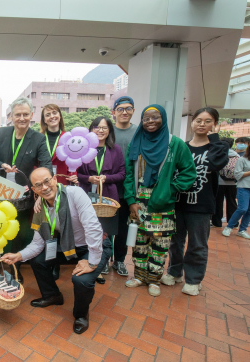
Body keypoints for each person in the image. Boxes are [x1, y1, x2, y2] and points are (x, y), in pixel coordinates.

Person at [0, 167, 109, 334]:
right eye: (38, 185)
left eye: (47, 181)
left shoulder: (75, 194)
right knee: (37, 260)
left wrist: (92, 261)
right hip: (68, 247)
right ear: (34, 190)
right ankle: (52, 296)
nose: (44, 187)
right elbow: (37, 244)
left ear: (55, 180)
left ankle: (81, 315)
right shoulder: (40, 208)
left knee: (82, 280)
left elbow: (93, 229)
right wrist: (18, 256)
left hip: (94, 246)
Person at [124, 105, 196, 297]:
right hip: (138, 204)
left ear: (163, 118)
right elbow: (129, 175)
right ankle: (139, 276)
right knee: (139, 243)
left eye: (155, 117)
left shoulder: (175, 144)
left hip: (162, 206)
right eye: (146, 118)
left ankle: (154, 279)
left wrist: (171, 190)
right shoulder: (136, 143)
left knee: (160, 244)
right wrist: (131, 200)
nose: (150, 122)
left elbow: (189, 173)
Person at [162, 107, 228, 296]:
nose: (202, 124)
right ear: (192, 122)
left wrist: (214, 139)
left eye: (208, 121)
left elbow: (216, 164)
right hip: (178, 202)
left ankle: (193, 279)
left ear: (215, 124)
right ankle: (174, 272)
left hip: (202, 204)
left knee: (197, 244)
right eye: (199, 120)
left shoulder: (218, 147)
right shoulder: (182, 146)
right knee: (176, 241)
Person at [0, 97, 52, 283]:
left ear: (32, 115)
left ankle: (15, 267)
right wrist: (1, 164)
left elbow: (46, 164)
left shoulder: (39, 138)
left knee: (19, 233)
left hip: (23, 196)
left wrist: (41, 192)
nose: (22, 118)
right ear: (11, 116)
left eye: (26, 114)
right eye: (18, 114)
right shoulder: (0, 133)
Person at [72, 116, 125, 275]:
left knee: (106, 229)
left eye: (104, 127)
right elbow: (77, 173)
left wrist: (106, 178)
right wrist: (88, 178)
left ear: (109, 130)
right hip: (87, 193)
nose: (100, 130)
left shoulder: (116, 149)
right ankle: (91, 258)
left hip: (108, 195)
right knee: (89, 227)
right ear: (91, 129)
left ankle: (106, 260)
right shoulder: (83, 148)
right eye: (97, 127)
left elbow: (122, 174)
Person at [111, 96, 138, 277]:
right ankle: (104, 259)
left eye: (128, 109)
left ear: (133, 111)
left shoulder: (139, 132)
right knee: (105, 226)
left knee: (122, 228)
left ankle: (119, 260)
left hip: (128, 189)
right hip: (107, 187)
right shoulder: (107, 131)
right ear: (113, 112)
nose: (124, 112)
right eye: (120, 109)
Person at [222, 143, 250, 240]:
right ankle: (229, 227)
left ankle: (242, 230)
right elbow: (237, 174)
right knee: (242, 208)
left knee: (249, 210)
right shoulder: (242, 160)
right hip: (243, 187)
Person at [39, 104, 72, 185]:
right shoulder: (38, 138)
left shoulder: (69, 138)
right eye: (48, 115)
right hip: (43, 183)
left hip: (63, 181)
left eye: (54, 113)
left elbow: (74, 161)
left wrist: (73, 175)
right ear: (44, 120)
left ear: (60, 116)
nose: (52, 116)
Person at [212, 137, 239, 227]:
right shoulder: (237, 155)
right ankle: (233, 223)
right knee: (232, 202)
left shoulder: (219, 154)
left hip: (220, 182)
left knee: (218, 202)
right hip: (233, 183)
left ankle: (217, 222)